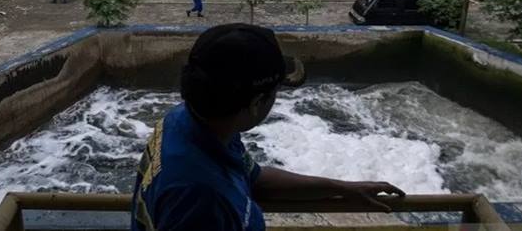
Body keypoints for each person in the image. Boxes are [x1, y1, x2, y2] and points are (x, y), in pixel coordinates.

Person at [131, 23, 405, 231]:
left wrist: (343, 188)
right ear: (256, 102)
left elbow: (253, 178)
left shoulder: (187, 121)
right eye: (275, 92)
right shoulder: (200, 199)